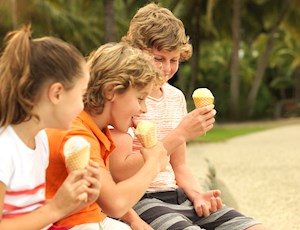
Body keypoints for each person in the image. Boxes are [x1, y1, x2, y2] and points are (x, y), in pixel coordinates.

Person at [109, 3, 271, 230]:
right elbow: (119, 172)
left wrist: (197, 195)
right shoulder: (125, 99)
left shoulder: (175, 97)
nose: (166, 69)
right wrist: (180, 133)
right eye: (158, 58)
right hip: (140, 199)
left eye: (173, 60)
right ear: (136, 52)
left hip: (177, 195)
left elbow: (180, 166)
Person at [45, 42, 169, 229]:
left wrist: (133, 219)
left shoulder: (94, 128)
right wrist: (152, 164)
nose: (143, 109)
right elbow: (115, 204)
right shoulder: (78, 135)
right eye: (140, 98)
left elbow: (104, 191)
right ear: (111, 91)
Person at [0, 25, 101, 230]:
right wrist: (55, 209)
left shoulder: (39, 140)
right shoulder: (5, 148)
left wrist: (73, 203)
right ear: (56, 93)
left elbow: (29, 213)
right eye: (81, 95)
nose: (83, 106)